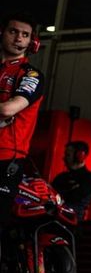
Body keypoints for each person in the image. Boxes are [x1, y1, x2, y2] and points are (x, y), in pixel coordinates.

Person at [1, 13, 45, 223]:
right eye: (13, 31)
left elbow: (9, 109)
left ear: (32, 42)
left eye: (25, 35)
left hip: (6, 158)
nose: (18, 38)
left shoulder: (31, 75)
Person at [52, 141, 91, 219]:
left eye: (68, 155)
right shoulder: (60, 177)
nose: (64, 158)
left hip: (73, 222)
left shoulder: (89, 179)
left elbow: (75, 198)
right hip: (55, 218)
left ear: (79, 156)